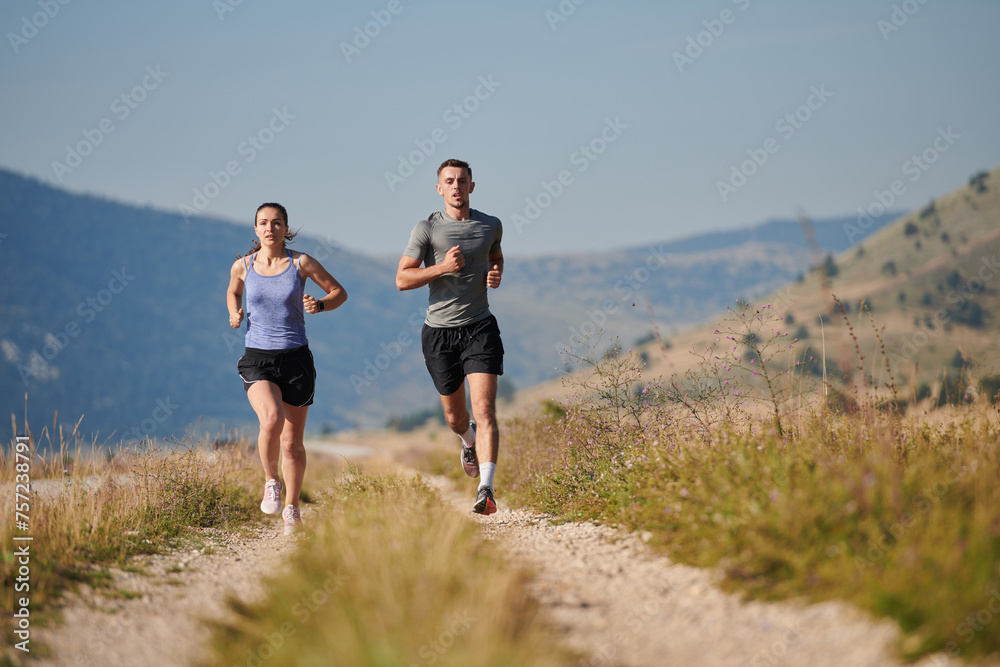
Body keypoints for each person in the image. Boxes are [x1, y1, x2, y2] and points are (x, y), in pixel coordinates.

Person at [227, 202, 347, 534]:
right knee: (272, 419)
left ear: (285, 228)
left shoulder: (300, 262)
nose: (270, 228)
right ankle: (271, 481)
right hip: (257, 359)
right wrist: (234, 313)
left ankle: (292, 507)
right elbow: (233, 291)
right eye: (263, 223)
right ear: (256, 229)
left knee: (292, 443)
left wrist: (320, 305)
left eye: (276, 223)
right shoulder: (243, 266)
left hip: (296, 359)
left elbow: (339, 292)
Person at [396, 159, 504, 515]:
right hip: (439, 334)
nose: (456, 186)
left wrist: (495, 273)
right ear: (439, 188)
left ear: (472, 186)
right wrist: (442, 267)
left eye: (462, 180)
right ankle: (467, 440)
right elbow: (402, 280)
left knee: (485, 410)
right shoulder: (426, 229)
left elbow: (496, 255)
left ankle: (485, 489)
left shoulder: (490, 225)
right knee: (456, 418)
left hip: (480, 327)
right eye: (449, 181)